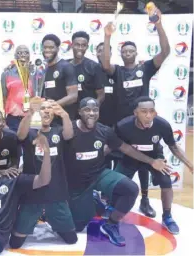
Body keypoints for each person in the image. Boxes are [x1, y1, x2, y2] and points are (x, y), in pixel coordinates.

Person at [66, 97, 171, 246]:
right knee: (77, 226)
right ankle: (94, 202)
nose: (91, 113)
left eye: (95, 110)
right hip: (76, 182)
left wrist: (152, 161)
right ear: (79, 112)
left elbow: (126, 148)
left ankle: (111, 224)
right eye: (87, 110)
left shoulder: (104, 131)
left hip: (98, 174)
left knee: (130, 189)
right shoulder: (69, 131)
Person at [101, 6, 170, 217]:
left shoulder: (145, 68)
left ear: (136, 53)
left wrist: (158, 25)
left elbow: (165, 52)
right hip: (123, 127)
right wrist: (107, 36)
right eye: (124, 51)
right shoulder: (118, 71)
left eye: (131, 51)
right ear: (121, 55)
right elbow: (105, 63)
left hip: (142, 125)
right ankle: (112, 198)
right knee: (122, 161)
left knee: (143, 163)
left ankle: (146, 199)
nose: (128, 53)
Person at [114, 96, 194, 234]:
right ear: (135, 113)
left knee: (166, 181)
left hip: (155, 157)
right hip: (131, 157)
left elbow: (174, 147)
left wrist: (190, 164)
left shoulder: (162, 125)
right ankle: (113, 210)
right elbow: (125, 149)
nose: (148, 115)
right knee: (116, 181)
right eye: (144, 111)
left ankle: (167, 217)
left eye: (152, 111)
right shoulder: (123, 126)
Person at [9, 98, 77, 249]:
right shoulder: (30, 132)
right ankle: (37, 215)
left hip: (56, 191)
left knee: (71, 239)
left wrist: (64, 115)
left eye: (49, 108)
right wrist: (30, 112)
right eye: (42, 108)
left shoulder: (58, 130)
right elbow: (20, 135)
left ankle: (50, 216)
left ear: (54, 113)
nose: (46, 110)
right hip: (33, 193)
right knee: (15, 243)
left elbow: (69, 135)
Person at [41, 34, 78, 125]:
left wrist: (51, 106)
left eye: (51, 47)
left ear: (57, 49)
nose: (47, 50)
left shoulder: (66, 66)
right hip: (47, 119)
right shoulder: (42, 69)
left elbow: (73, 96)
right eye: (45, 47)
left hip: (62, 120)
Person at [1, 45, 34, 132]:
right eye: (20, 53)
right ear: (15, 56)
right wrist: (3, 119)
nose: (23, 55)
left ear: (29, 56)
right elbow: (3, 97)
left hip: (30, 117)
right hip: (13, 118)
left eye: (26, 53)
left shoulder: (35, 73)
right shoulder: (6, 74)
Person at [69, 31, 105, 109]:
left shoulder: (94, 66)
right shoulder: (64, 65)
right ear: (72, 45)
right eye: (77, 45)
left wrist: (91, 109)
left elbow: (101, 95)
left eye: (83, 45)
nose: (80, 48)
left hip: (86, 115)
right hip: (67, 113)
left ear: (87, 47)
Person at [95, 43, 117, 128]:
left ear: (110, 54)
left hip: (115, 120)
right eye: (100, 51)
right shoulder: (91, 70)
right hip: (95, 119)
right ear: (96, 54)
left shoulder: (117, 71)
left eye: (106, 51)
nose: (103, 54)